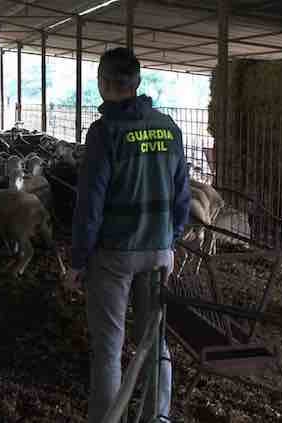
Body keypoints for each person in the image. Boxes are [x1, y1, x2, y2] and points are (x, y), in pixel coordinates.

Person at [63, 48, 190, 423]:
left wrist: (78, 260)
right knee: (154, 339)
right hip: (158, 251)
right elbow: (183, 195)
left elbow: (90, 204)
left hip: (115, 255)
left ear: (103, 83)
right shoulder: (169, 128)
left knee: (108, 347)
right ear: (137, 83)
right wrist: (170, 240)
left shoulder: (105, 133)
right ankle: (159, 416)